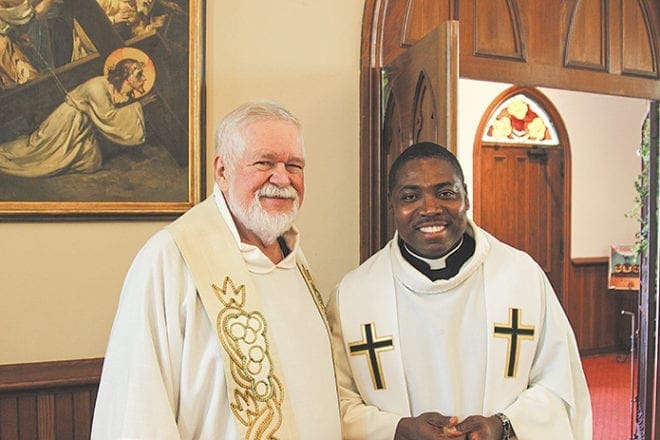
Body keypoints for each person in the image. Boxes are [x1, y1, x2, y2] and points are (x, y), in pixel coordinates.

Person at [91, 100, 342, 439]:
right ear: (222, 171)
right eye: (265, 162)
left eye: (294, 165)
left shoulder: (294, 258)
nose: (282, 178)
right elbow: (138, 408)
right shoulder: (170, 259)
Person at [328, 142, 592, 439]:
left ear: (466, 196)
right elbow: (335, 401)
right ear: (392, 205)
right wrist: (398, 430)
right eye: (410, 196)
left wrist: (504, 425)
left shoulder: (522, 276)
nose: (430, 209)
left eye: (446, 193)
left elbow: (559, 384)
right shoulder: (354, 294)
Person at [0, 57, 146, 177]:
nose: (144, 78)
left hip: (82, 128)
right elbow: (109, 117)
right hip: (65, 123)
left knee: (92, 164)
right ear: (126, 76)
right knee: (35, 153)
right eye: (139, 74)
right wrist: (137, 107)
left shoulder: (116, 88)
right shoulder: (97, 87)